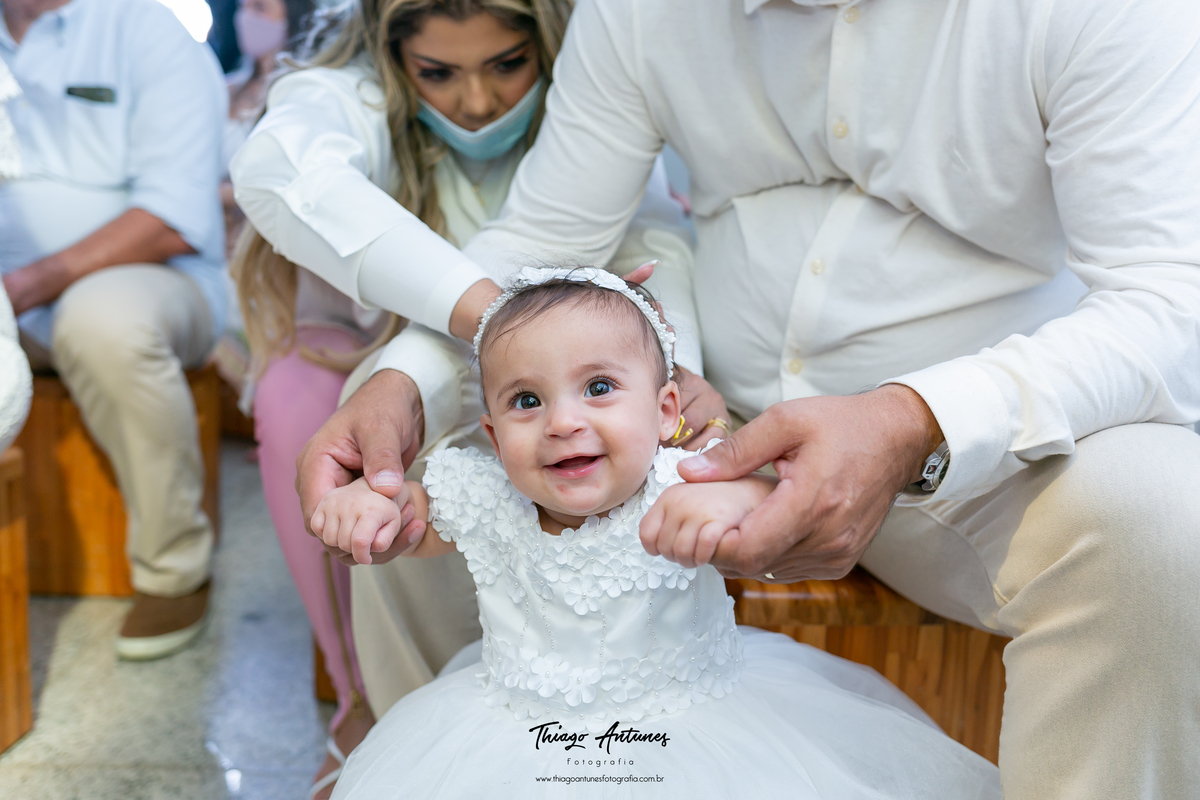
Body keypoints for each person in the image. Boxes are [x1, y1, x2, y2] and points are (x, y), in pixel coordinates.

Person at [295, 0, 1200, 796]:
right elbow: (547, 232)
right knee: (432, 450)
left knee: (1165, 522)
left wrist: (914, 417)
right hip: (702, 427)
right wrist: (398, 377)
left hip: (984, 440)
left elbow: (1171, 299)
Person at [229, 1, 710, 795]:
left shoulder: (595, 96)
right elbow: (280, 169)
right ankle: (382, 705)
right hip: (408, 350)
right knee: (310, 406)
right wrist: (511, 335)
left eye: (508, 64)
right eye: (439, 73)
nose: (479, 103)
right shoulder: (354, 100)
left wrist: (664, 362)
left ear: (548, 48)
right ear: (392, 59)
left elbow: (654, 230)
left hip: (578, 369)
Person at [309, 267, 1001, 797]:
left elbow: (773, 504)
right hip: (513, 737)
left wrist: (735, 501)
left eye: (599, 388)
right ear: (492, 433)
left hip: (697, 733)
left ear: (666, 407)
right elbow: (412, 520)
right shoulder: (485, 494)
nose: (563, 421)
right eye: (527, 400)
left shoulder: (688, 479)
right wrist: (374, 510)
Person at [0, 0, 227, 660]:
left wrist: (20, 288)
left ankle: (175, 568)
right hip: (13, 292)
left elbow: (172, 217)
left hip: (155, 276)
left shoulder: (146, 29)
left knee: (104, 321)